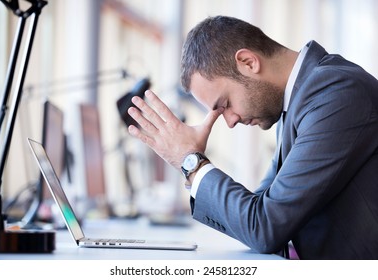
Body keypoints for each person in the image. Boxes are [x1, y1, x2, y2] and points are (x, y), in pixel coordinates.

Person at [126, 15, 378, 260]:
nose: (231, 121)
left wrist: (191, 162)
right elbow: (257, 212)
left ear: (248, 62)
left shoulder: (335, 94)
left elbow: (265, 226)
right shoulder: (297, 103)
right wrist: (192, 162)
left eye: (225, 104)